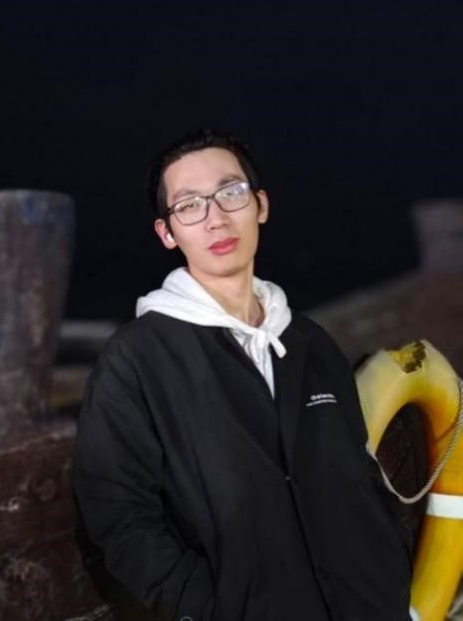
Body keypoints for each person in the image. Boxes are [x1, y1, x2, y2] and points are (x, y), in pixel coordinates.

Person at [72, 129, 413, 620]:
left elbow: (357, 471)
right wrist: (208, 607)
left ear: (260, 205)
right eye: (190, 205)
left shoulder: (309, 341)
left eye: (230, 192)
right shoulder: (136, 360)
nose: (216, 218)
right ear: (167, 233)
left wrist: (389, 572)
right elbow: (118, 515)